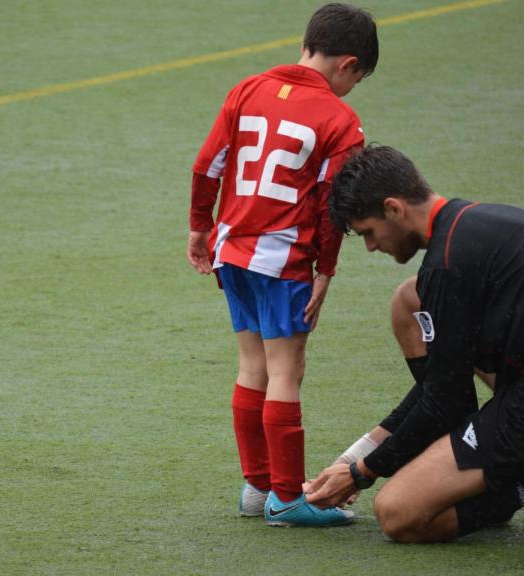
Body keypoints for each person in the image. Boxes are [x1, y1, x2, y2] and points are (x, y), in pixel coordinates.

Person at [306, 145, 524, 543]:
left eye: (368, 233)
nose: (371, 246)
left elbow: (446, 402)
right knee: (409, 301)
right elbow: (441, 390)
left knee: (399, 514)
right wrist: (353, 458)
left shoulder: (447, 267)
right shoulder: (466, 226)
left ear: (394, 209)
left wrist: (363, 473)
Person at [186, 4, 379, 527]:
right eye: (356, 79)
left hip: (232, 249)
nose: (351, 90)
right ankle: (288, 498)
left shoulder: (247, 88)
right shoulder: (339, 120)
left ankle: (256, 488)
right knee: (285, 371)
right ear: (349, 64)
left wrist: (200, 227)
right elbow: (330, 206)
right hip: (283, 258)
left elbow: (208, 164)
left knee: (252, 366)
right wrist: (326, 271)